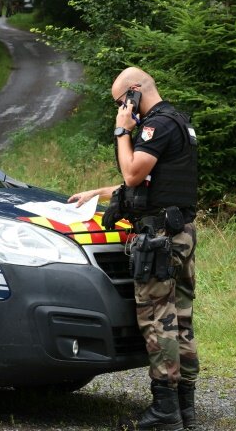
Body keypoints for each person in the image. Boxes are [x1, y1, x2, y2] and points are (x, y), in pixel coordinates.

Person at [69, 67, 199, 431]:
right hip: (180, 232)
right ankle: (185, 408)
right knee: (181, 319)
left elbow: (132, 174)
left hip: (159, 237)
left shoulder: (155, 126)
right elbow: (149, 182)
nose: (120, 109)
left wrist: (122, 130)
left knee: (158, 320)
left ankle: (165, 410)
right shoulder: (179, 122)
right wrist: (97, 193)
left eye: (120, 102)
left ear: (134, 93)